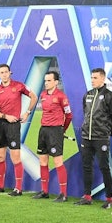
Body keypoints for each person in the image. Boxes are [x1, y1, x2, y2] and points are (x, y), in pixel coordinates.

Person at [75, 67, 112, 207]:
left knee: (104, 167)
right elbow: (86, 113)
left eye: (95, 78)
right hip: (86, 137)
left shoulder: (109, 96)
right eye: (91, 78)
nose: (92, 80)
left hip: (101, 138)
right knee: (86, 166)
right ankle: (87, 196)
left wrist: (106, 133)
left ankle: (109, 198)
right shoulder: (88, 95)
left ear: (103, 78)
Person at [0, 63, 36, 196]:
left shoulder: (19, 86)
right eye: (1, 72)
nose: (4, 74)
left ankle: (18, 188)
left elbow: (34, 97)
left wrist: (27, 113)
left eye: (6, 72)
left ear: (10, 73)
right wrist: (6, 116)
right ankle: (0, 186)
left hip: (13, 126)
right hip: (1, 125)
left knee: (15, 157)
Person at [34, 70, 73, 201]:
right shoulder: (43, 94)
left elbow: (69, 115)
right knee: (43, 160)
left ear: (56, 82)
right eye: (45, 80)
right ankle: (44, 191)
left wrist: (62, 129)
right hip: (43, 130)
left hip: (55, 131)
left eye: (49, 80)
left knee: (57, 162)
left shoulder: (61, 96)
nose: (46, 83)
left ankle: (63, 194)